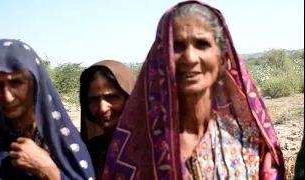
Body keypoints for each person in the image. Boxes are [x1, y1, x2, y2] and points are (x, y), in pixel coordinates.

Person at [102, 1, 285, 179]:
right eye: (177, 46)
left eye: (202, 44)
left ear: (223, 60)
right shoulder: (134, 148)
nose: (190, 58)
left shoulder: (250, 141)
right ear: (161, 59)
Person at [0, 39, 95, 180]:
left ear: (35, 84)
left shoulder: (62, 139)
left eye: (16, 82)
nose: (8, 97)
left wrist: (48, 171)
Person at [79, 60, 136, 179]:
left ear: (129, 98)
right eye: (94, 99)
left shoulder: (151, 148)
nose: (102, 108)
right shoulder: (89, 151)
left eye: (111, 97)